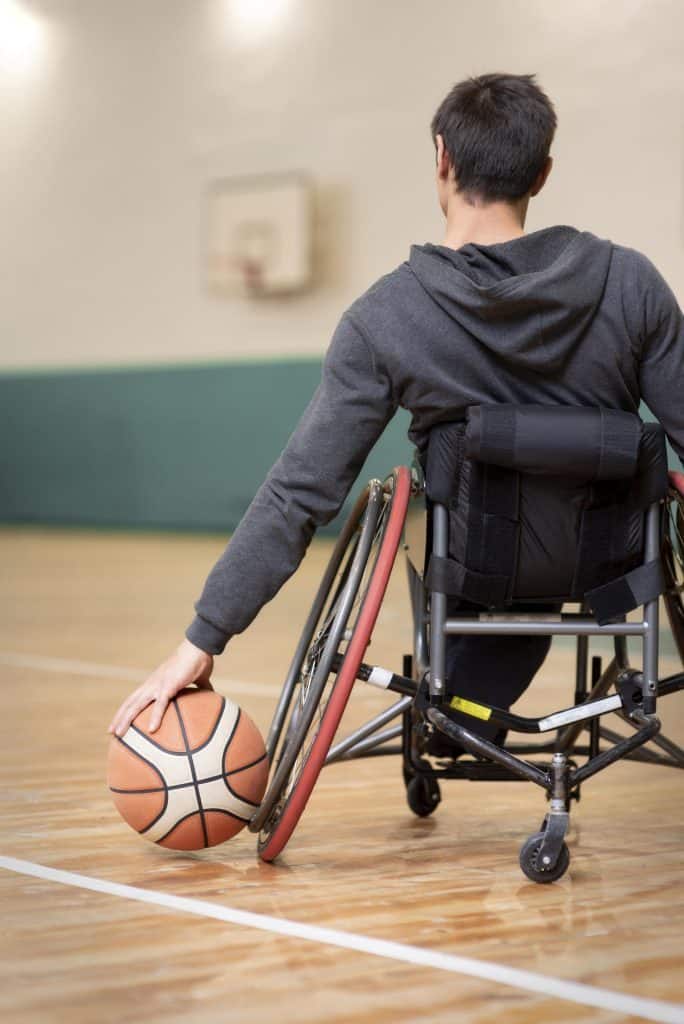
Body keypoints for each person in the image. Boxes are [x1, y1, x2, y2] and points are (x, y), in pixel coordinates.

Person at [109, 72, 684, 742]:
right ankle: (473, 701)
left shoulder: (387, 317)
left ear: (441, 157)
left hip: (474, 568)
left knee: (448, 510)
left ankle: (456, 707)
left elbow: (301, 491)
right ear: (543, 172)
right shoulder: (631, 283)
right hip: (610, 576)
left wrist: (204, 638)